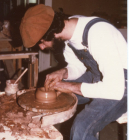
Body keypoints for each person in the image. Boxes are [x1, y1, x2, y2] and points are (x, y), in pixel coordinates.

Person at [20, 4, 127, 140]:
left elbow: (113, 89)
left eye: (41, 42)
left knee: (81, 127)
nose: (42, 47)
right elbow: (78, 67)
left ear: (52, 32)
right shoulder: (69, 30)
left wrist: (69, 86)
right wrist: (63, 73)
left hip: (121, 87)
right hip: (99, 76)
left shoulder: (99, 34)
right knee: (54, 93)